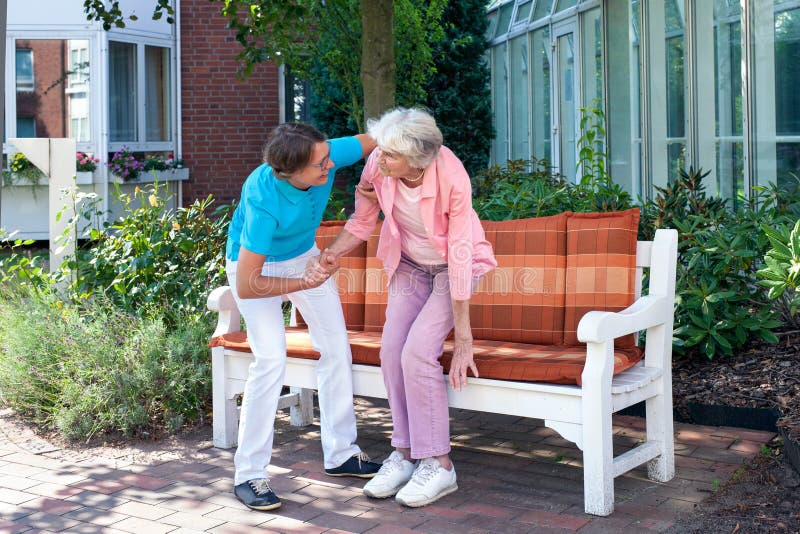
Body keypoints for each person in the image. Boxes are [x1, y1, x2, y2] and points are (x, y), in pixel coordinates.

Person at [310, 107, 497, 507]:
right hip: (411, 264)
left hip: (453, 267)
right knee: (392, 351)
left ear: (417, 158)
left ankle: (440, 464)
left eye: (391, 154)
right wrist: (332, 254)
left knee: (417, 353)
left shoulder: (451, 175)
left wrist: (463, 338)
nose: (379, 157)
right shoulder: (380, 165)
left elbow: (462, 253)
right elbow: (363, 221)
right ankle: (407, 452)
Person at [225, 122, 381, 512]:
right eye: (319, 165)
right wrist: (300, 282)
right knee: (271, 359)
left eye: (329, 157)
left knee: (335, 347)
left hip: (302, 255)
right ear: (289, 172)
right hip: (254, 269)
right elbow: (247, 285)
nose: (330, 166)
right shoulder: (263, 198)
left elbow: (381, 138)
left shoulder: (323, 152)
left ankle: (341, 453)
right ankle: (249, 475)